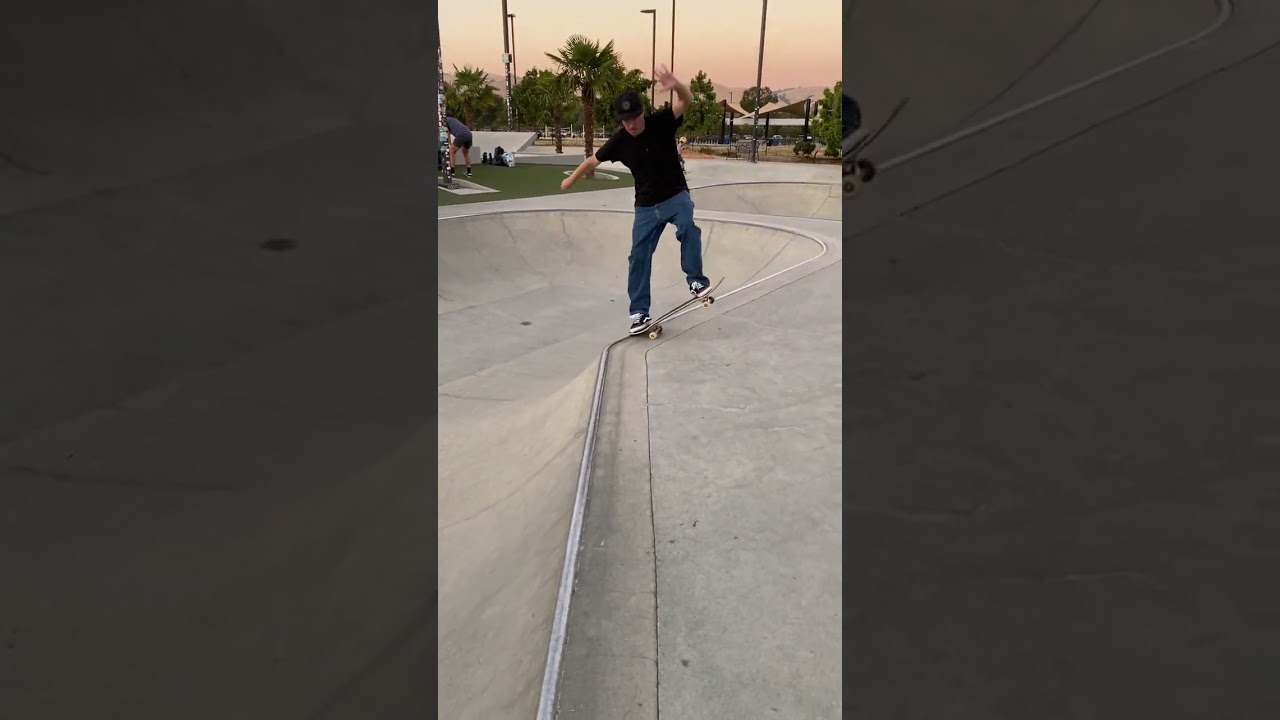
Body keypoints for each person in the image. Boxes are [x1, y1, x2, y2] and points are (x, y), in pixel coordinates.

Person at [559, 66, 712, 335]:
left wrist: (676, 84)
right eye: (625, 121)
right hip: (645, 207)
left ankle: (696, 281)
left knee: (687, 225)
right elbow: (592, 160)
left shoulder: (661, 122)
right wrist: (571, 179)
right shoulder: (619, 141)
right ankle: (639, 313)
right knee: (638, 257)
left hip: (676, 195)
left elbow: (686, 101)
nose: (631, 125)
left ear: (643, 112)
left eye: (635, 118)